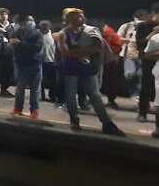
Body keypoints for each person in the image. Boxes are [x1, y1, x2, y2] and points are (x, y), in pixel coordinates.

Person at [55, 8, 123, 136]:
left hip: (87, 68)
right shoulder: (63, 33)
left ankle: (107, 123)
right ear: (69, 19)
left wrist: (76, 52)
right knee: (70, 95)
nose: (82, 18)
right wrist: (84, 52)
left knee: (95, 95)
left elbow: (96, 47)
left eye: (82, 16)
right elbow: (65, 52)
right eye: (78, 17)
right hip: (71, 68)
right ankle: (74, 120)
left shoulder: (90, 30)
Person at [135, 2, 159, 122]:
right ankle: (142, 113)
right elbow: (140, 43)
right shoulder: (143, 26)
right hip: (148, 60)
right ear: (153, 14)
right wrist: (153, 33)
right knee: (146, 86)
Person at [10, 15, 44, 118]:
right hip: (21, 64)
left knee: (35, 89)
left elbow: (37, 48)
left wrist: (21, 44)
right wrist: (21, 46)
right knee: (20, 88)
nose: (29, 23)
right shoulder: (16, 33)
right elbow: (14, 47)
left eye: (30, 20)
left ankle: (34, 110)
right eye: (27, 21)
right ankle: (17, 108)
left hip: (35, 64)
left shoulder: (37, 33)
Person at [38, 20, 59, 104]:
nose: (44, 28)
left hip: (51, 61)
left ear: (49, 27)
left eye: (46, 26)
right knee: (41, 80)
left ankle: (52, 96)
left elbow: (57, 48)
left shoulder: (53, 36)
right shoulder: (37, 35)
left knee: (53, 81)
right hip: (40, 61)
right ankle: (41, 96)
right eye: (42, 26)